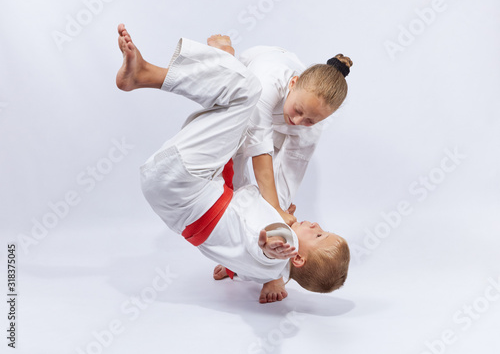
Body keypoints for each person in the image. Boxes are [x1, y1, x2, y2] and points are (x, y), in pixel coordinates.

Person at [115, 24, 350, 303]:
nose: (314, 225)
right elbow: (253, 249)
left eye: (319, 234)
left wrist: (273, 241)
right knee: (245, 120)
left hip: (185, 184)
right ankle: (224, 61)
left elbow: (271, 236)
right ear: (293, 83)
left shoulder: (281, 244)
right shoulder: (271, 73)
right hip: (178, 192)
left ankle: (152, 73)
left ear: (297, 257)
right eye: (299, 112)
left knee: (246, 91)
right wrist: (245, 270)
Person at [227, 42, 353, 228]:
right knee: (235, 150)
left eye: (310, 120)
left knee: (272, 204)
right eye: (298, 110)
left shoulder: (312, 125)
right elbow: (259, 149)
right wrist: (274, 207)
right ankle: (224, 53)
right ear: (293, 83)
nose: (298, 120)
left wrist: (278, 215)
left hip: (278, 111)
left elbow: (290, 173)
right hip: (247, 80)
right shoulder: (267, 80)